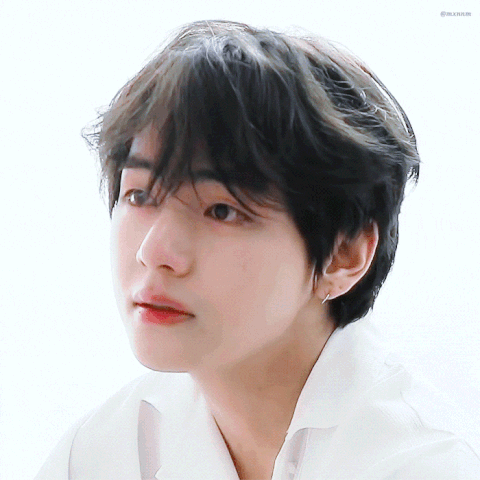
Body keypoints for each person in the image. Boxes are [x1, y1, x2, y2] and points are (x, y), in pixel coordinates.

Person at [35, 19, 480, 480]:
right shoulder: (105, 452)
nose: (154, 251)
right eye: (139, 195)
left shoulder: (421, 464)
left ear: (344, 254)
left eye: (221, 210)